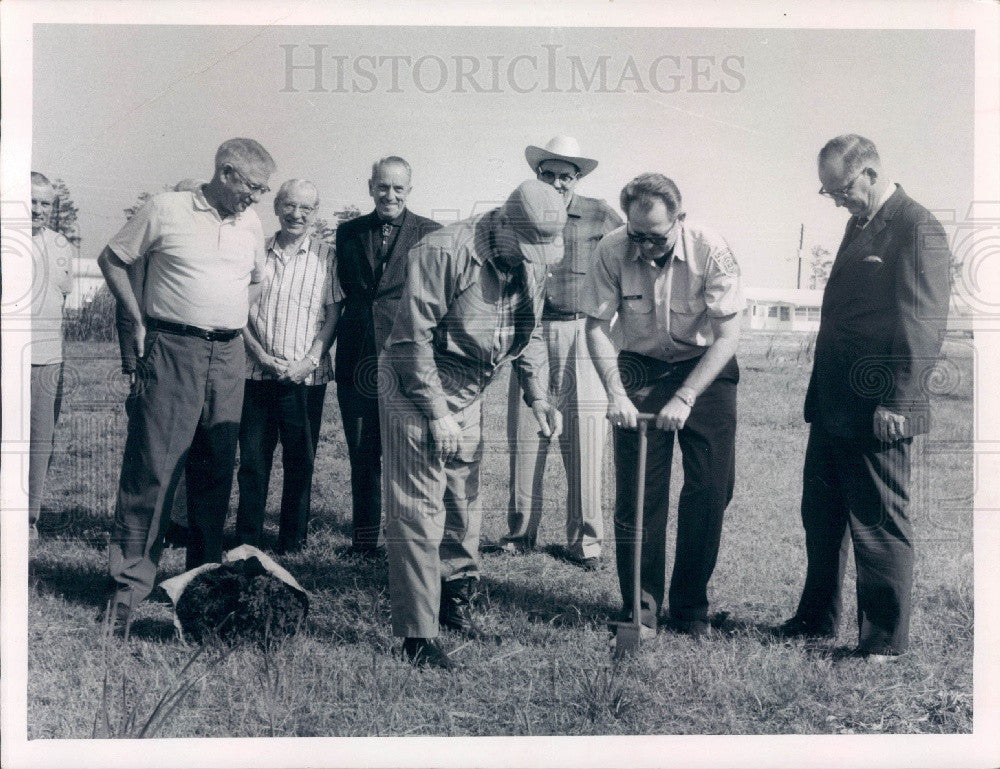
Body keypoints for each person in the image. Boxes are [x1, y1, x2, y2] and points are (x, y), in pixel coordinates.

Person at [777, 135, 951, 659]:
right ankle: (816, 620)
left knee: (877, 524)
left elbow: (921, 323)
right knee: (821, 518)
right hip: (833, 407)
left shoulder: (918, 227)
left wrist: (899, 401)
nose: (835, 199)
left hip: (880, 411)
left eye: (841, 188)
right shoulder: (859, 225)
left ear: (870, 173)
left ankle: (883, 642)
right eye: (827, 191)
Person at [382, 179, 565, 669]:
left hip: (472, 387)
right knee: (418, 510)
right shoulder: (442, 251)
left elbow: (531, 334)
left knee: (464, 496)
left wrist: (539, 397)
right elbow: (408, 342)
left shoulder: (531, 260)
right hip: (417, 383)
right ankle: (417, 636)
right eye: (524, 246)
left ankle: (454, 598)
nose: (531, 258)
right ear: (501, 221)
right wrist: (437, 411)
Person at [97, 138, 275, 631]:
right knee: (153, 471)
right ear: (225, 173)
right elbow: (112, 259)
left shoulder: (252, 222)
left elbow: (257, 279)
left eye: (263, 190)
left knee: (216, 470)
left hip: (229, 354)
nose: (257, 198)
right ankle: (127, 594)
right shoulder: (165, 207)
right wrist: (136, 320)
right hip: (172, 349)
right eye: (252, 187)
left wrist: (228, 309)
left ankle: (201, 592)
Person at [583, 173, 742, 638]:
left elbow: (728, 333)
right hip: (641, 367)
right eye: (637, 235)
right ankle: (641, 609)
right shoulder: (612, 248)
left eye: (655, 237)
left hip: (704, 366)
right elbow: (595, 325)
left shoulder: (711, 248)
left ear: (680, 220)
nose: (645, 246)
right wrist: (615, 392)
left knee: (710, 491)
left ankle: (691, 607)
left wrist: (687, 395)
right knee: (638, 498)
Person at [503, 136, 623, 569]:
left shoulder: (601, 214)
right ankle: (519, 534)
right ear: (538, 176)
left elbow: (629, 259)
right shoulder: (521, 211)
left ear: (577, 179)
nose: (556, 182)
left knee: (585, 438)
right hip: (529, 331)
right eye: (548, 174)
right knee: (526, 434)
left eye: (565, 176)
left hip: (582, 332)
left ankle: (586, 542)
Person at [334, 157, 441, 556]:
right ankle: (363, 541)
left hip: (407, 358)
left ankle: (408, 541)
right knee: (363, 453)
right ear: (370, 187)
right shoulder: (348, 233)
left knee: (408, 455)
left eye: (398, 188)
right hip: (356, 357)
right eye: (382, 187)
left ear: (409, 190)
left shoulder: (431, 234)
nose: (389, 195)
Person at [235, 179, 340, 553]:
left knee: (300, 462)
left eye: (306, 208)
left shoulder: (328, 256)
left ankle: (292, 542)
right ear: (277, 207)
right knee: (252, 461)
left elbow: (332, 315)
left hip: (305, 378)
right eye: (290, 206)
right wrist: (260, 356)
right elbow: (238, 312)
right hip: (256, 373)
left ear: (315, 213)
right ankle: (246, 539)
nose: (297, 214)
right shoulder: (256, 252)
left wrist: (309, 361)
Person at [28, 172, 75, 539]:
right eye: (31, 200)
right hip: (8, 358)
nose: (37, 209)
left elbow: (61, 297)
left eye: (44, 202)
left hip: (48, 359)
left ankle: (30, 517)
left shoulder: (61, 244)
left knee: (41, 439)